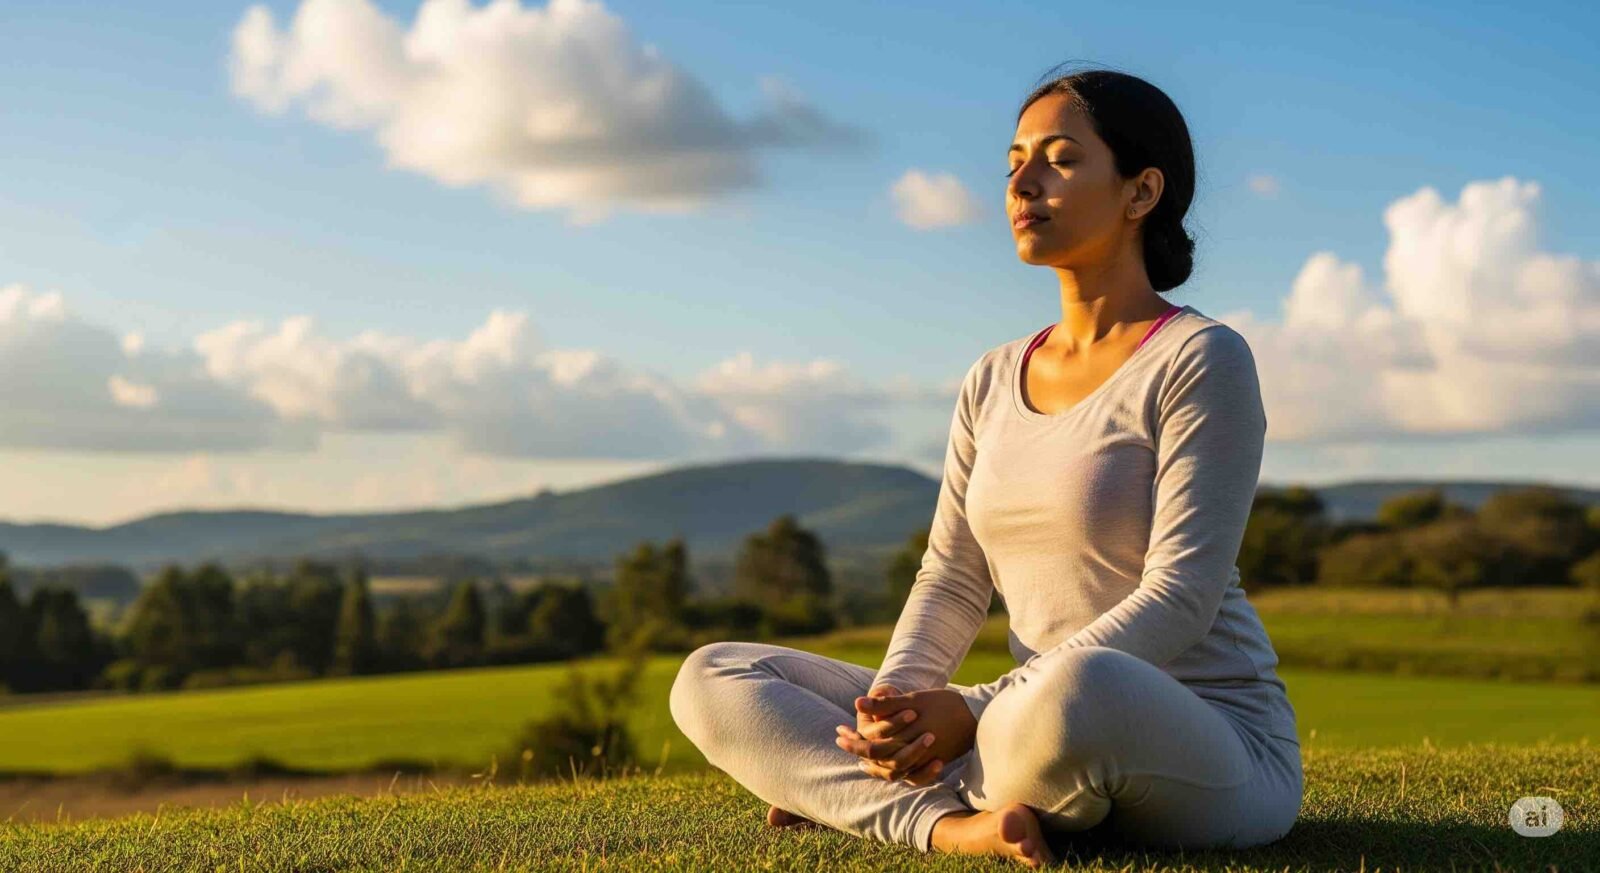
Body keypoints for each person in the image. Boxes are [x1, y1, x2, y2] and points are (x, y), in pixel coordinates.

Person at [670, 65, 1302, 868]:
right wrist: (890, 711)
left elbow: (1180, 596)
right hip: (1016, 727)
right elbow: (952, 574)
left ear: (1142, 192)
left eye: (1061, 160)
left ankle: (856, 795)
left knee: (1077, 692)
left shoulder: (1199, 358)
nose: (1022, 183)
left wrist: (971, 707)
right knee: (715, 674)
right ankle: (948, 820)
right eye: (1013, 162)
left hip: (1194, 735)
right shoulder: (994, 375)